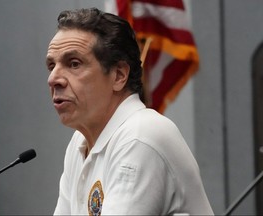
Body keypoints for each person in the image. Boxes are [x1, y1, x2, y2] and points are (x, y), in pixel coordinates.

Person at [46, 7, 214, 215]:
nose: (53, 79)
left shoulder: (140, 135)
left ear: (118, 75)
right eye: (51, 65)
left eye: (74, 64)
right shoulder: (79, 143)